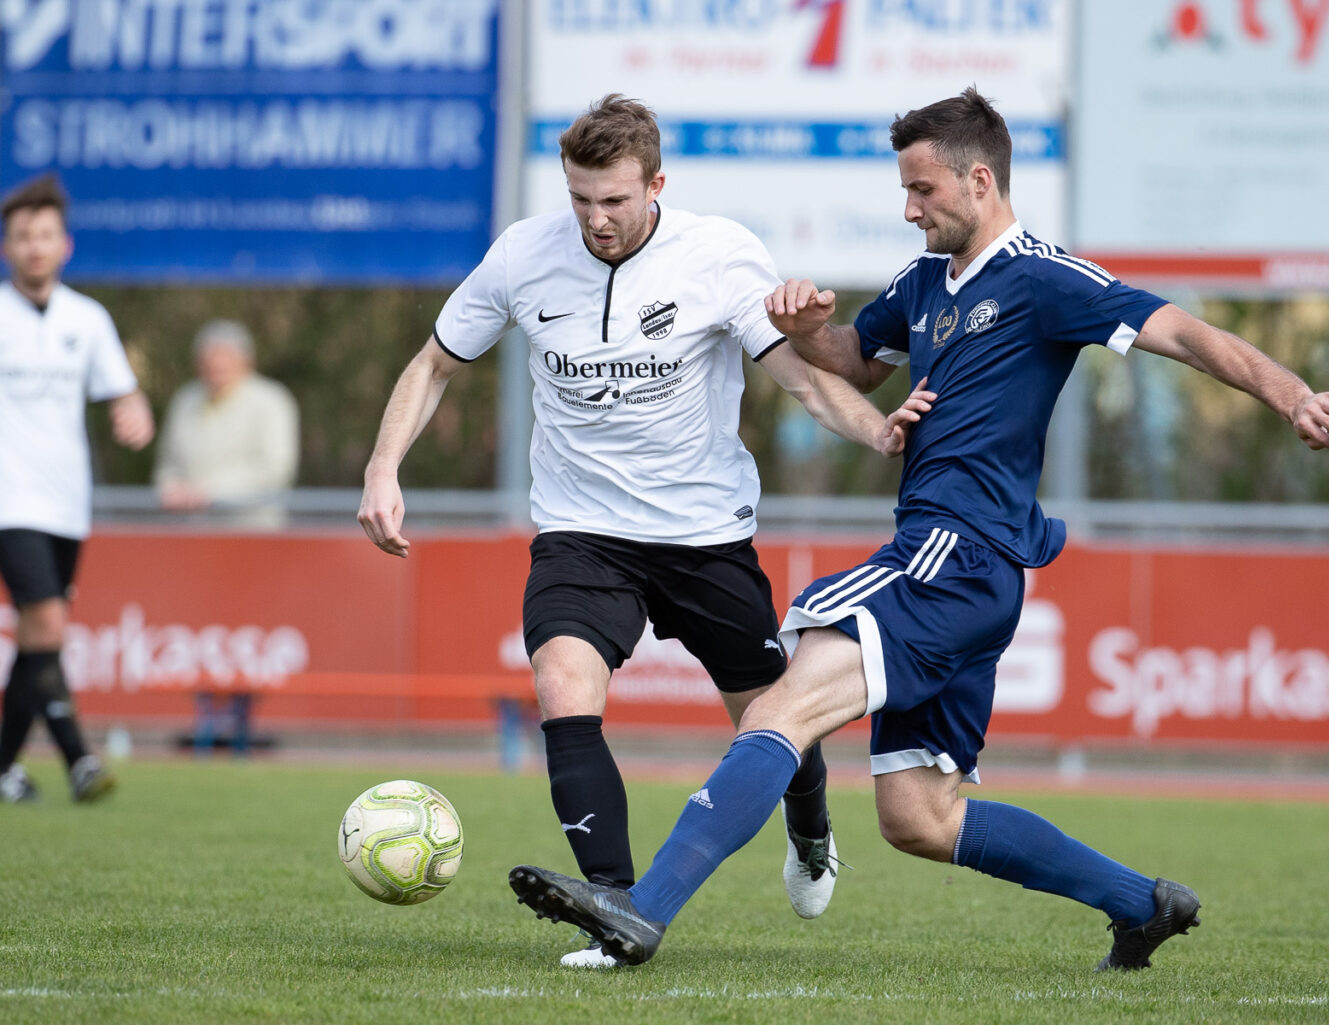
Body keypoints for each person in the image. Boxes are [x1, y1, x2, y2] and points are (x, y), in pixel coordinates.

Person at [508, 87, 1329, 971]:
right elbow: (853, 363)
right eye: (904, 189)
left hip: (952, 552)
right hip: (966, 566)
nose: (908, 207)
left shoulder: (1041, 276)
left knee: (779, 706)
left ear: (980, 180)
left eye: (922, 190)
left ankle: (639, 911)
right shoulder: (923, 282)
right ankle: (1138, 903)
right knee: (921, 816)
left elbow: (1182, 334)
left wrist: (1290, 393)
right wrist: (802, 330)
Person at [358, 95, 927, 968]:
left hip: (704, 534)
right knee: (560, 680)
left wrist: (878, 429)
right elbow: (436, 360)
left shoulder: (719, 254)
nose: (596, 219)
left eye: (615, 200)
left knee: (775, 719)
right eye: (582, 199)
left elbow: (801, 381)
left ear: (655, 184)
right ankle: (614, 905)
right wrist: (382, 467)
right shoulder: (522, 254)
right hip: (582, 530)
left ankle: (810, 829)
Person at [0, 174, 156, 804]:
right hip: (9, 499)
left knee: (43, 637)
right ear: (7, 248)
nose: (34, 247)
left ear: (64, 245)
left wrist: (134, 411)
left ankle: (19, 766)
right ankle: (80, 760)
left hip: (67, 502)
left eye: (44, 236)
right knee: (45, 620)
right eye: (21, 237)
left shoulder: (86, 319)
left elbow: (122, 390)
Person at [154, 319, 300, 529]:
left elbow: (275, 469)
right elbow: (167, 464)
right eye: (210, 356)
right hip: (190, 533)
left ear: (246, 360)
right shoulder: (184, 400)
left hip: (252, 533)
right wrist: (171, 489)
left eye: (226, 355)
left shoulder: (272, 401)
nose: (217, 363)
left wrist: (210, 492)